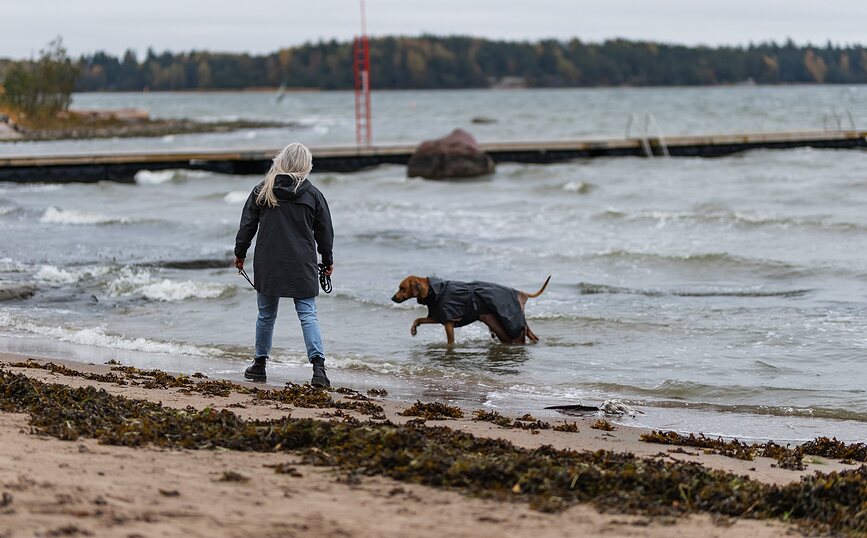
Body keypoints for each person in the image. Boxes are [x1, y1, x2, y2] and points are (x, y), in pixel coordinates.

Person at [233, 143, 334, 386]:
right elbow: (325, 233)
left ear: (282, 161)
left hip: (268, 262)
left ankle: (259, 365)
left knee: (266, 315)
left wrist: (240, 253)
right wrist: (327, 260)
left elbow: (247, 225)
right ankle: (318, 369)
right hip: (302, 263)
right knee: (308, 314)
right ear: (306, 165)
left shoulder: (263, 189)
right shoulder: (313, 195)